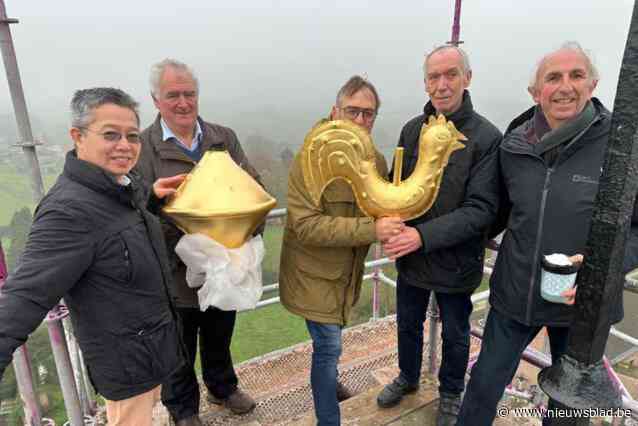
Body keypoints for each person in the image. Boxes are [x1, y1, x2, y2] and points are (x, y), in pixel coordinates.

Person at [456, 41, 634, 426]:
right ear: (536, 93)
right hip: (515, 293)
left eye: (576, 75)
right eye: (553, 78)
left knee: (568, 407)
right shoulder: (514, 145)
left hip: (582, 304)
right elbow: (492, 212)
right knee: (484, 385)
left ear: (593, 85)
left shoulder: (620, 147)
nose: (565, 86)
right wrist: (434, 239)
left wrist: (604, 268)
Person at [0, 88, 187, 426]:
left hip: (156, 350)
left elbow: (129, 213)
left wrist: (154, 197)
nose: (124, 145)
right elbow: (24, 294)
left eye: (132, 136)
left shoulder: (122, 185)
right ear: (78, 136)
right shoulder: (68, 212)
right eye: (110, 135)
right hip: (127, 366)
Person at [376, 45, 502, 426]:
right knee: (408, 322)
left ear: (468, 78)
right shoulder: (412, 130)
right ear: (425, 82)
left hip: (456, 258)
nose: (442, 85)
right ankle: (408, 376)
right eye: (434, 77)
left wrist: (421, 236)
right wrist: (386, 217)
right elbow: (397, 187)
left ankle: (450, 393)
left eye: (451, 75)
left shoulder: (485, 137)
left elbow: (482, 210)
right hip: (412, 255)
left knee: (456, 333)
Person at [134, 59, 258, 422]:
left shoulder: (223, 138)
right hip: (174, 275)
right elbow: (135, 209)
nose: (183, 102)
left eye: (190, 93)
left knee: (220, 334)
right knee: (179, 348)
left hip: (224, 265)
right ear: (156, 100)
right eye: (173, 95)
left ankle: (222, 388)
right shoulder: (142, 148)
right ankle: (183, 410)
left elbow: (252, 186)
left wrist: (247, 230)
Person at [278, 75, 403, 426]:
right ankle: (329, 420)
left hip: (345, 277)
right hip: (312, 276)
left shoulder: (373, 160)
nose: (361, 121)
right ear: (335, 112)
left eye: (369, 114)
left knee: (330, 349)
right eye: (353, 112)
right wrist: (373, 229)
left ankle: (330, 384)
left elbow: (384, 206)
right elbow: (306, 225)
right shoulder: (310, 159)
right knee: (328, 348)